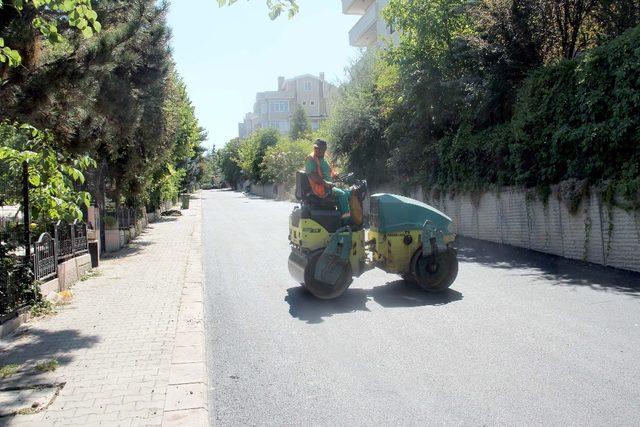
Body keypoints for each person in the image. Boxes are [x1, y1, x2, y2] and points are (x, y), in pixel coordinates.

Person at [305, 139, 351, 224]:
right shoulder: (311, 159)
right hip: (321, 189)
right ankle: (345, 222)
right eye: (315, 148)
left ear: (325, 148)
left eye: (319, 148)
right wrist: (325, 183)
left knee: (348, 193)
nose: (317, 150)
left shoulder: (323, 158)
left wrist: (334, 174)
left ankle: (339, 217)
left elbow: (327, 171)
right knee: (342, 194)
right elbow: (312, 175)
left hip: (328, 187)